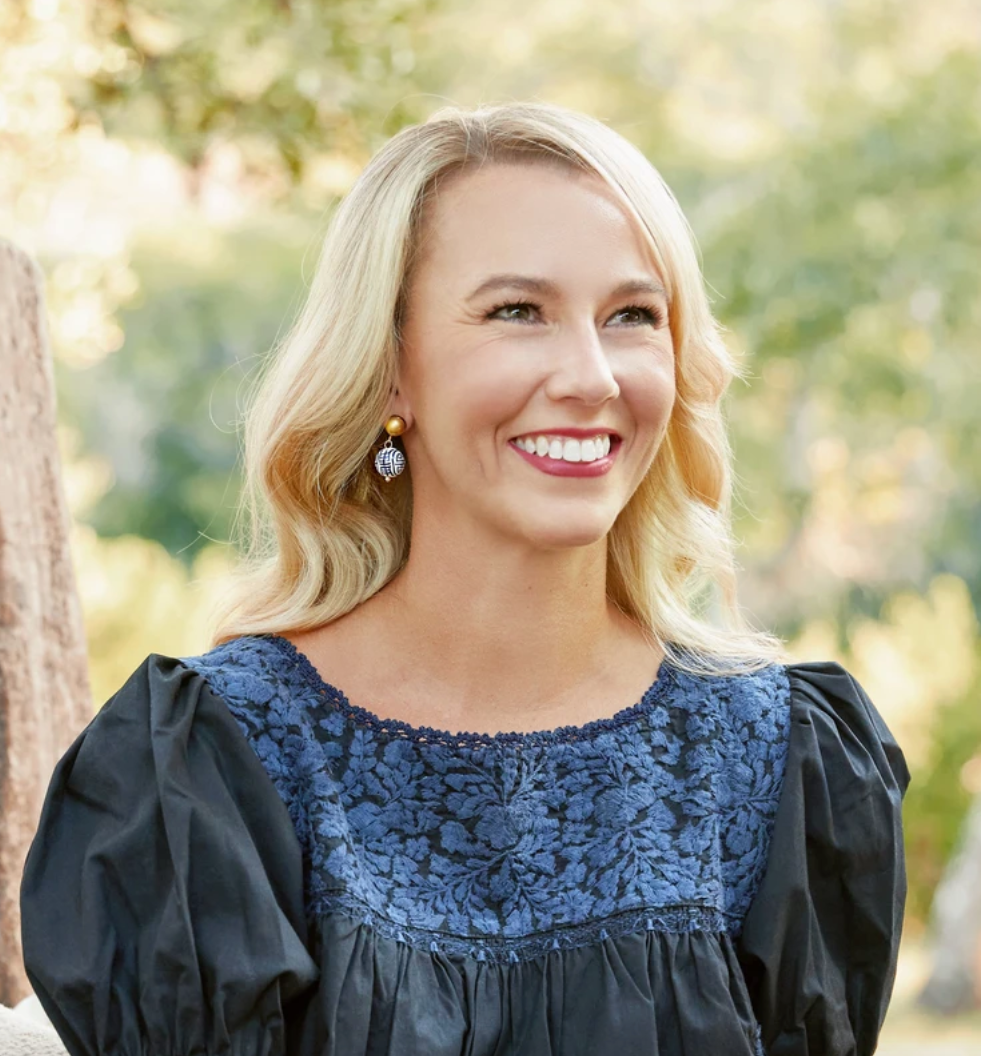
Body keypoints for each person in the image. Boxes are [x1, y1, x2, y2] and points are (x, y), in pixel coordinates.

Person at [20, 101, 910, 1056]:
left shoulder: (783, 763)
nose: (592, 375)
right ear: (390, 368)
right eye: (516, 311)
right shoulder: (207, 770)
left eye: (632, 317)